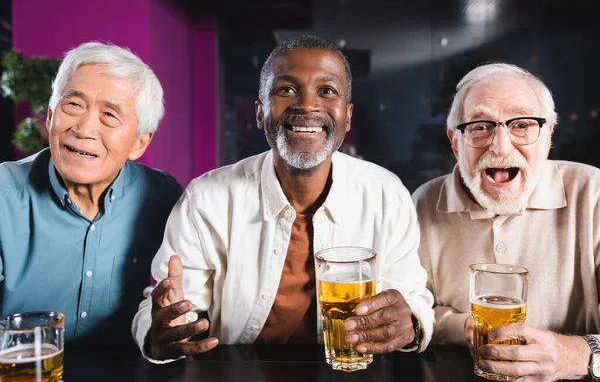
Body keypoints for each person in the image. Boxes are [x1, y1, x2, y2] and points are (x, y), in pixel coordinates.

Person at [132, 34, 434, 362]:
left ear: (347, 117)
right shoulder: (206, 199)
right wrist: (159, 334)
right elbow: (166, 308)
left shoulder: (386, 195)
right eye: (286, 89)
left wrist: (412, 324)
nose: (306, 105)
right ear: (260, 112)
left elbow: (412, 300)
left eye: (327, 90)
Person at [412, 62, 600, 380]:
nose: (500, 147)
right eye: (480, 126)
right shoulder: (424, 202)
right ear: (455, 142)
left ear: (547, 135)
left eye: (521, 125)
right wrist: (461, 327)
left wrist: (575, 355)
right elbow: (413, 309)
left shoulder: (593, 192)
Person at [0, 42, 183, 346]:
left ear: (140, 143)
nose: (84, 128)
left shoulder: (162, 197)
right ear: (49, 116)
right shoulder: (5, 195)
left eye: (109, 115)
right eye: (73, 105)